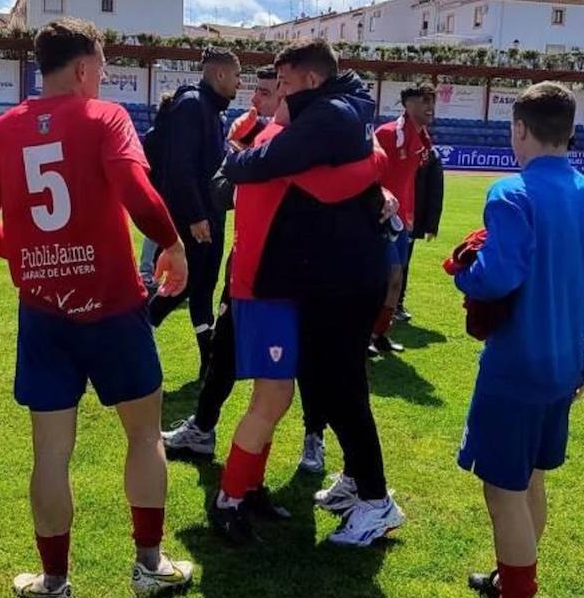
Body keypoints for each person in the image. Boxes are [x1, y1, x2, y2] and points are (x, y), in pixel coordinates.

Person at [0, 18, 195, 598]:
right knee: (144, 435)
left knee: (50, 453)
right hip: (114, 305)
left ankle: (54, 583)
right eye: (102, 67)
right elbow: (138, 194)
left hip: (44, 312)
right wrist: (172, 244)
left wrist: (28, 256)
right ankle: (149, 565)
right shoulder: (106, 118)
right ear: (85, 67)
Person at [453, 82, 584, 598]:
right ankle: (510, 582)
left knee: (502, 492)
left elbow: (497, 276)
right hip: (563, 369)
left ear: (519, 129)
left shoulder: (511, 192)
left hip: (514, 367)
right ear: (570, 132)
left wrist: (464, 270)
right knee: (531, 479)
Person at [209, 38, 403, 547]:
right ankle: (230, 498)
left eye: (280, 86)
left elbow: (336, 179)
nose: (270, 97)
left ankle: (248, 489)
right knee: (273, 397)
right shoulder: (279, 143)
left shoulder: (295, 139)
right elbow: (333, 181)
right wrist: (376, 165)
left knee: (277, 395)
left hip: (282, 283)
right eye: (269, 89)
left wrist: (377, 174)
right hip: (264, 286)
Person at [163, 67, 332, 475]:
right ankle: (203, 428)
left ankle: (313, 436)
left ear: (289, 96)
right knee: (224, 350)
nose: (254, 100)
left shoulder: (303, 141)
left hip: (290, 273)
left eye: (266, 93)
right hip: (244, 265)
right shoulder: (255, 134)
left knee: (306, 360)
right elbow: (221, 192)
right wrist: (239, 153)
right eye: (256, 90)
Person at [147, 47, 241, 379]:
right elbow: (180, 168)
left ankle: (207, 362)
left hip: (210, 214)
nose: (239, 83)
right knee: (186, 282)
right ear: (220, 74)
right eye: (237, 75)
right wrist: (195, 216)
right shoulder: (191, 105)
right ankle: (141, 328)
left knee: (203, 285)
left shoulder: (212, 110)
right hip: (194, 218)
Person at [370, 83, 434, 354]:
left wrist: (409, 214)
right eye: (424, 101)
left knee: (396, 281)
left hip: (402, 219)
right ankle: (365, 334)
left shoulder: (423, 138)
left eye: (432, 101)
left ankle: (379, 334)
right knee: (388, 277)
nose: (430, 106)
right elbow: (370, 174)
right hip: (381, 217)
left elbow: (408, 182)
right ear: (407, 104)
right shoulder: (388, 134)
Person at [396, 138, 445, 322]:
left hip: (409, 218)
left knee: (401, 262)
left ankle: (395, 303)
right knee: (395, 262)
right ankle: (390, 304)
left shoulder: (429, 154)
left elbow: (435, 190)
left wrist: (431, 224)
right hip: (393, 214)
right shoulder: (395, 144)